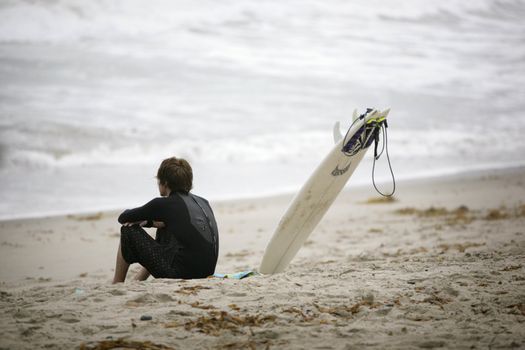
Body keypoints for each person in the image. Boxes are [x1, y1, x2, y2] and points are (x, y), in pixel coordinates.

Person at [112, 157, 219, 283]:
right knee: (165, 227)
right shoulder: (203, 202)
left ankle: (116, 283)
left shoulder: (164, 204)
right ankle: (138, 280)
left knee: (128, 230)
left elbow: (123, 217)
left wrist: (145, 220)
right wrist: (150, 222)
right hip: (206, 272)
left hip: (181, 274)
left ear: (165, 182)